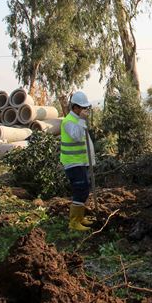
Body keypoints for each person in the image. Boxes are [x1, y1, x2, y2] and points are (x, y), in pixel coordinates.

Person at [60, 91, 93, 231]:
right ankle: (74, 222)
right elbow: (77, 137)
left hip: (80, 162)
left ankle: (80, 218)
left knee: (85, 188)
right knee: (80, 189)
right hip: (73, 163)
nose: (85, 111)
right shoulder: (68, 121)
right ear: (76, 108)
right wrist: (81, 121)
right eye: (83, 108)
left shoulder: (78, 120)